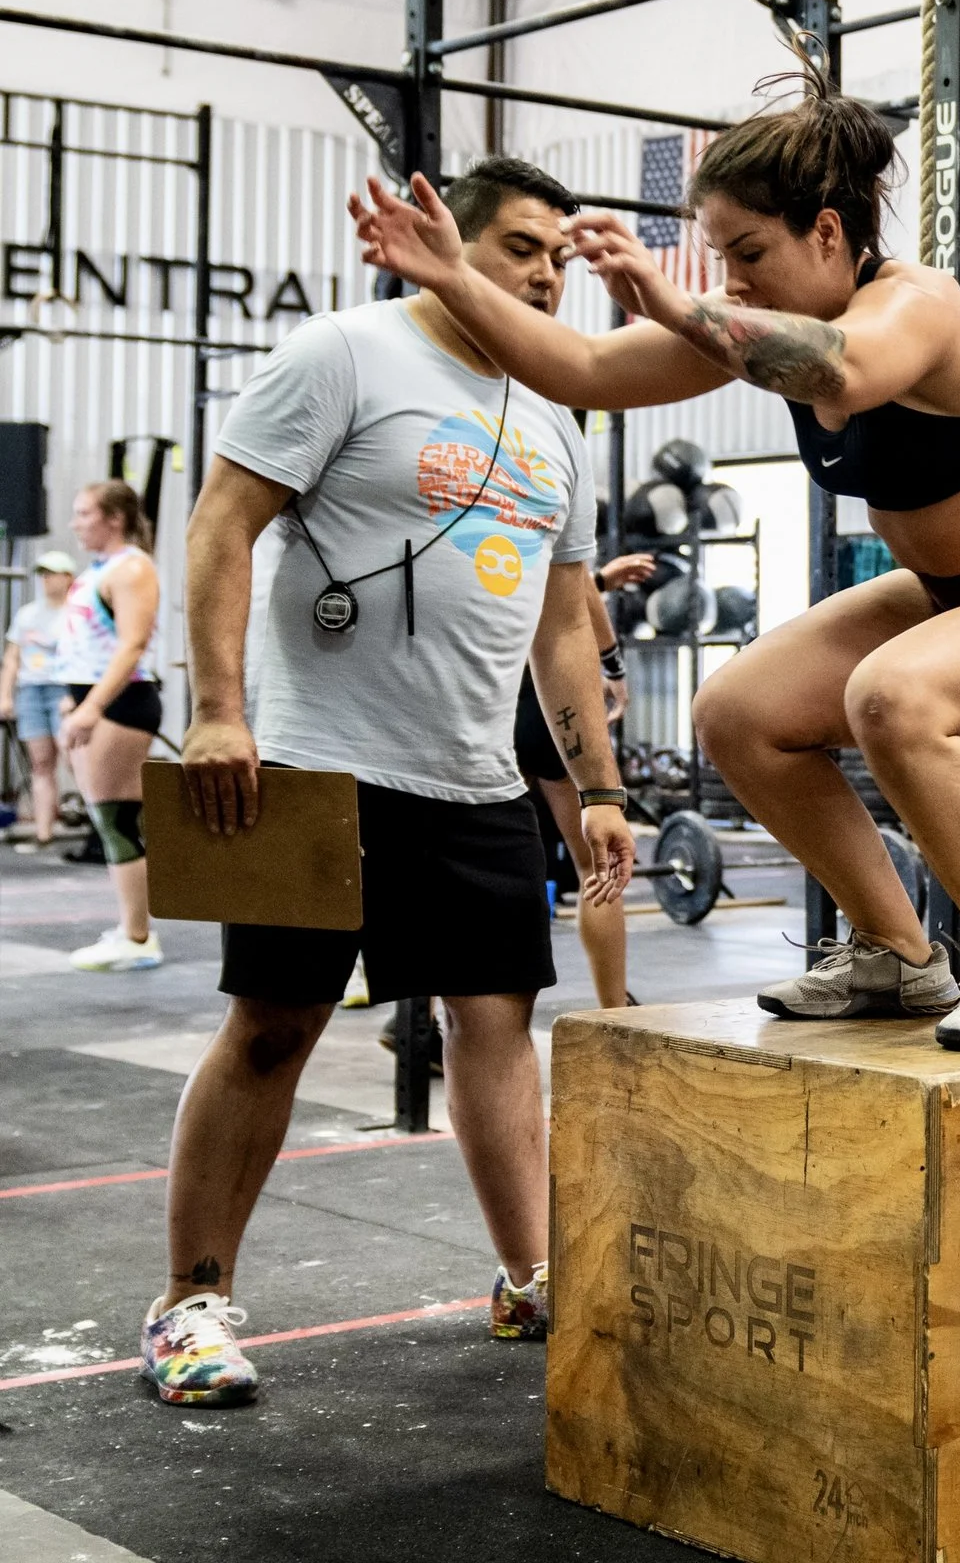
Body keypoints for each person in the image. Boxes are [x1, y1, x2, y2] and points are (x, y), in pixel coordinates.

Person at [350, 65, 960, 1052]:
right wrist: (450, 275)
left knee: (894, 696)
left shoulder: (918, 306)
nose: (730, 278)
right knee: (737, 712)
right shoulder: (752, 324)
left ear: (828, 231)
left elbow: (841, 368)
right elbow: (588, 371)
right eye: (717, 256)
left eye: (748, 251)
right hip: (953, 595)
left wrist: (670, 297)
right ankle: (897, 952)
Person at [153, 156, 634, 1409]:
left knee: (498, 1021)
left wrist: (596, 783)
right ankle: (190, 1301)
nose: (545, 273)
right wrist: (217, 711)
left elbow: (566, 620)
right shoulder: (346, 353)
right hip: (316, 765)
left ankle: (529, 1271)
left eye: (558, 259)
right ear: (445, 238)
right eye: (523, 247)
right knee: (273, 1024)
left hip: (470, 776)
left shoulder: (552, 413)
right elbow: (222, 519)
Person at [518, 552, 656, 1009]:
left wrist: (600, 578)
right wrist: (614, 667)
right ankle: (615, 1012)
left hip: (486, 691)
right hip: (542, 693)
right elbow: (570, 589)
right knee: (595, 866)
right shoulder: (543, 485)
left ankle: (427, 1022)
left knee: (468, 855)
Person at [58, 482, 166, 971]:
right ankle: (132, 927)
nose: (77, 523)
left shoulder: (133, 568)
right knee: (111, 820)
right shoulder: (97, 571)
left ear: (114, 519)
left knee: (116, 821)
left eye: (84, 513)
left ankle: (137, 936)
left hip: (120, 703)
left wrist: (92, 708)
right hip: (93, 700)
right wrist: (72, 699)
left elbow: (131, 645)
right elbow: (85, 646)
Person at [2, 550, 81, 849]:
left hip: (62, 690)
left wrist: (75, 695)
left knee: (74, 758)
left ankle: (101, 828)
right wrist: (5, 695)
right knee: (40, 763)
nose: (46, 579)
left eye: (53, 573)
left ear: (68, 577)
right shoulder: (27, 614)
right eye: (43, 574)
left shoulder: (76, 613)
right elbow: (12, 658)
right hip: (31, 690)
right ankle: (43, 833)